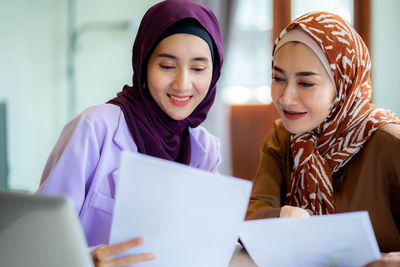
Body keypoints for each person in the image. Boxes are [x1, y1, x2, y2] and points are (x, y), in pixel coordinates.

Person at [37, 0, 223, 266]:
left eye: (198, 69)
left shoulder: (204, 149)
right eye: (167, 66)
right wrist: (86, 259)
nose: (183, 83)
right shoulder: (95, 127)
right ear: (144, 66)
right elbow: (40, 235)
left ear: (214, 74)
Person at [246, 11, 400, 256]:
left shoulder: (390, 143)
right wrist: (284, 215)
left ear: (343, 85)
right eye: (278, 78)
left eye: (306, 83)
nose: (286, 97)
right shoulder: (282, 138)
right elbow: (251, 216)